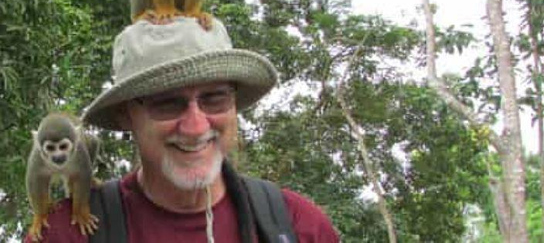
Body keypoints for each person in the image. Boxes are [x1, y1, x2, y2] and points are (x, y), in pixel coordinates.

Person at [25, 16, 340, 242]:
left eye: (215, 98)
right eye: (167, 103)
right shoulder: (67, 233)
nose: (195, 126)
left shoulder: (296, 225)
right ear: (125, 115)